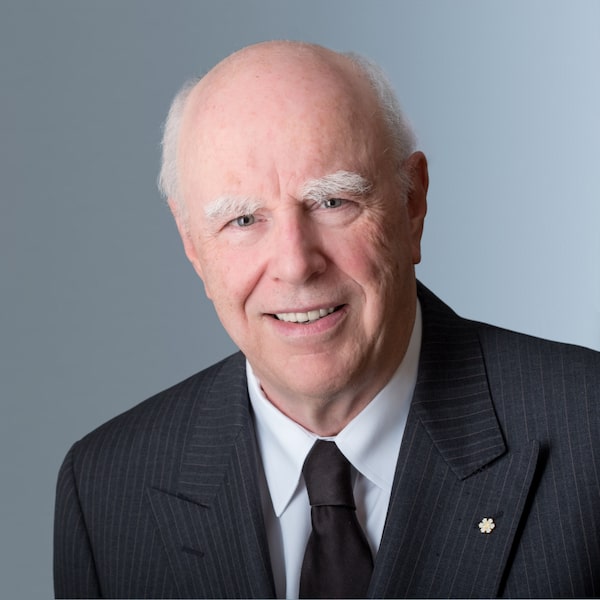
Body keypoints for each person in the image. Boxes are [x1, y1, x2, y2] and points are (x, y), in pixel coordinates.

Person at [53, 41, 600, 599]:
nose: (295, 265)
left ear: (412, 204)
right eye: (243, 220)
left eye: (332, 202)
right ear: (191, 243)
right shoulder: (104, 490)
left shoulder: (589, 430)